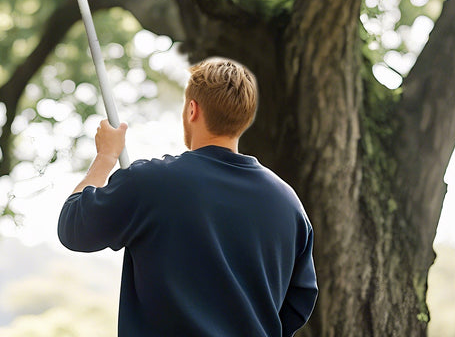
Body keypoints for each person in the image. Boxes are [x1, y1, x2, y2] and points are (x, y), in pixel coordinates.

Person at [57, 57, 317, 337]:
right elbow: (299, 301)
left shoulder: (151, 182)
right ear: (245, 118)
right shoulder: (289, 204)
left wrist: (106, 156)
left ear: (192, 109)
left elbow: (73, 227)